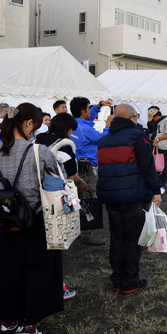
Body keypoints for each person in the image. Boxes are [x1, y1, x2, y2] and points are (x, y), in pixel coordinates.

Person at [0, 103, 64, 334]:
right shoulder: (39, 151)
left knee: (9, 270)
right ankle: (31, 328)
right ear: (28, 123)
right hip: (35, 219)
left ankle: (8, 323)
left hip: (5, 219)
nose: (35, 132)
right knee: (37, 271)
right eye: (35, 127)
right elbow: (58, 177)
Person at [96, 104, 161, 294]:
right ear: (131, 118)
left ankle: (117, 279)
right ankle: (130, 280)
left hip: (110, 196)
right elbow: (147, 166)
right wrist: (155, 190)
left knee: (117, 239)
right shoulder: (136, 136)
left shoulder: (103, 140)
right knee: (133, 241)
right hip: (133, 196)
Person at [35, 112, 86, 300]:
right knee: (55, 243)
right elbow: (70, 175)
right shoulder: (64, 145)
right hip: (56, 200)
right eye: (71, 129)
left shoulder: (38, 140)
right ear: (67, 129)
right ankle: (57, 287)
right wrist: (81, 183)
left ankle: (45, 286)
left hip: (36, 199)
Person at [70, 97, 113, 245]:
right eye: (89, 108)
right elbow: (104, 139)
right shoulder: (85, 129)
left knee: (77, 199)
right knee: (90, 199)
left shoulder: (75, 124)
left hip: (78, 167)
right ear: (83, 111)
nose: (91, 110)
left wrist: (99, 106)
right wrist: (108, 124)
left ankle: (78, 230)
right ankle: (87, 233)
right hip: (88, 170)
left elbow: (88, 120)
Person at [151, 109, 167, 192]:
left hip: (165, 147)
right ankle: (158, 184)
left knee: (164, 167)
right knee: (157, 166)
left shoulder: (166, 120)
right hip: (157, 146)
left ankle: (162, 185)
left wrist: (158, 139)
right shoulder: (156, 122)